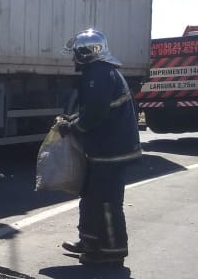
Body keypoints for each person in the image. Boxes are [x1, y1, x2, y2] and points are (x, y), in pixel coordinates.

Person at [58, 28, 142, 265]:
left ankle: (112, 252)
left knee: (107, 202)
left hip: (112, 151)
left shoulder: (99, 74)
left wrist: (73, 128)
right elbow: (93, 111)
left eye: (76, 54)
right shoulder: (100, 72)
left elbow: (95, 115)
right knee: (91, 196)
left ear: (86, 54)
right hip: (104, 150)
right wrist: (71, 120)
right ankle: (89, 241)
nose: (73, 59)